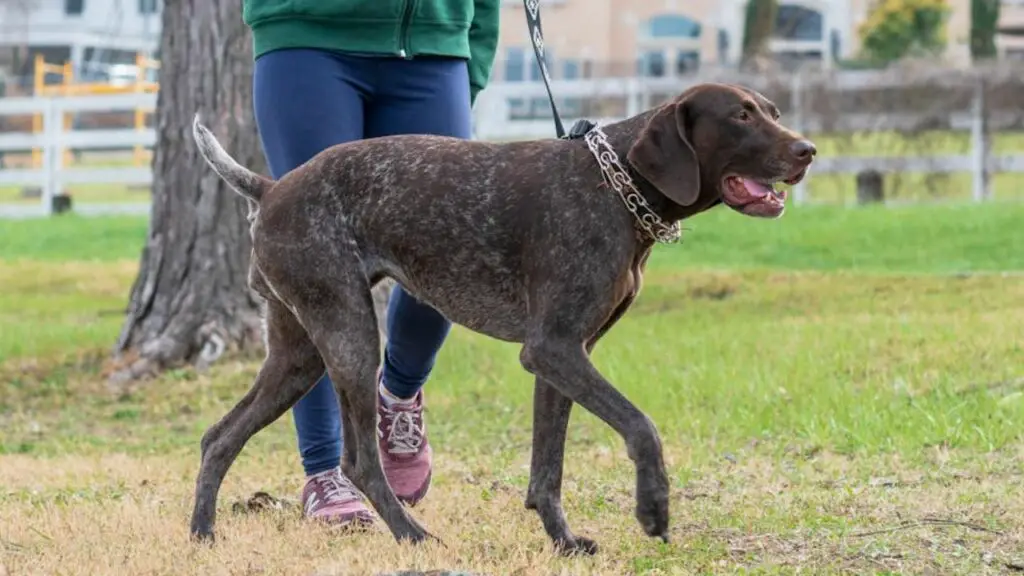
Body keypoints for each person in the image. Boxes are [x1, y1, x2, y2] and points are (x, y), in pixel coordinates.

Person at [242, 0, 501, 526]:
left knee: (446, 256)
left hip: (433, 46)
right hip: (308, 41)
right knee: (314, 268)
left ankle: (399, 392)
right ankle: (325, 470)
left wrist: (470, 57)